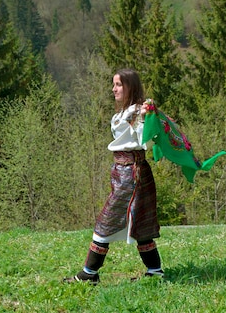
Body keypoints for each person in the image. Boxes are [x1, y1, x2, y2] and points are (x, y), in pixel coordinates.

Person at [64, 68, 163, 284]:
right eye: (113, 84)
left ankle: (89, 274)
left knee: (105, 222)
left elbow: (146, 140)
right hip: (122, 172)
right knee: (138, 223)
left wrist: (148, 116)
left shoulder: (139, 112)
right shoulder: (122, 114)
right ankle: (155, 272)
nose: (113, 89)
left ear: (130, 86)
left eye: (118, 84)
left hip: (132, 174)